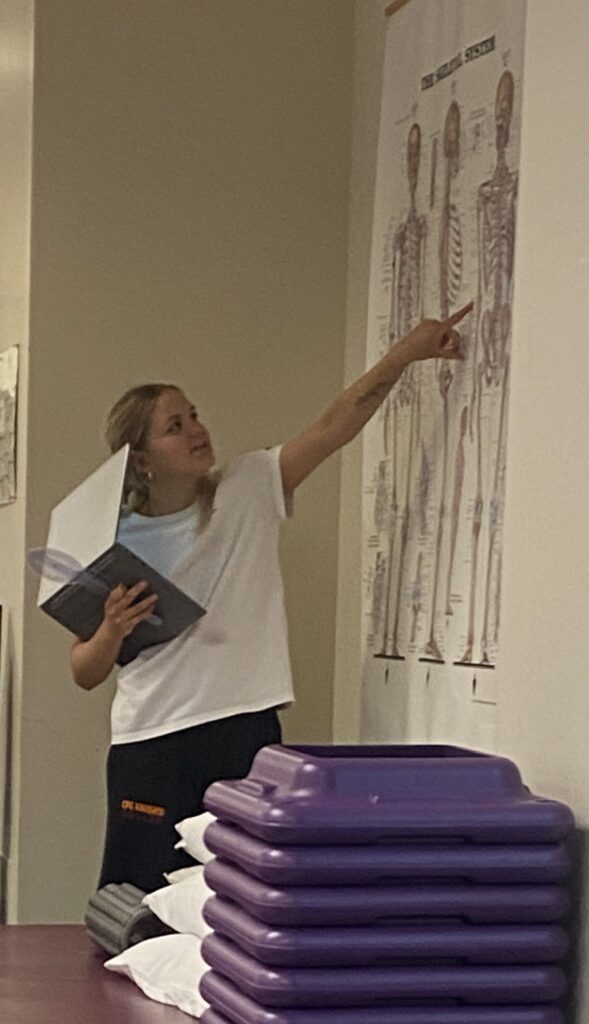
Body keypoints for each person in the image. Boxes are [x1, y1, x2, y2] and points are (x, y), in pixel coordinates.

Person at [71, 303, 472, 892]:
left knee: (239, 898)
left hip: (241, 730)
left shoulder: (249, 487)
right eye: (174, 426)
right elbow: (84, 671)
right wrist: (110, 630)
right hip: (148, 741)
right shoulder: (111, 539)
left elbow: (336, 423)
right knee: (142, 908)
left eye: (194, 415)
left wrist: (404, 356)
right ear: (142, 457)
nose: (196, 430)